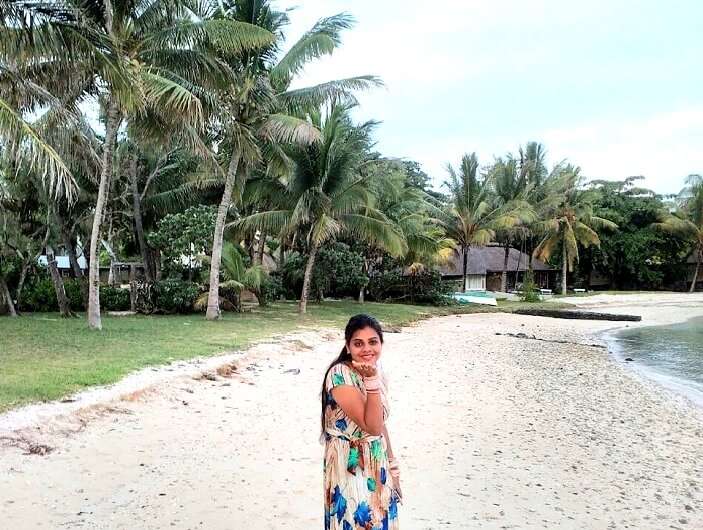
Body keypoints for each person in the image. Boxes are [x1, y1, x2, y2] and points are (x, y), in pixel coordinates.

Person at [321, 314, 401, 529]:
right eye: (358, 343)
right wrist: (371, 382)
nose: (367, 349)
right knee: (356, 520)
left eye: (373, 342)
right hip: (349, 462)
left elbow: (381, 424)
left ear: (381, 344)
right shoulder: (339, 374)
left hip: (376, 458)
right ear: (348, 347)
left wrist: (393, 469)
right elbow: (371, 426)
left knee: (380, 519)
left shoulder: (376, 372)